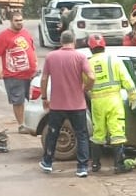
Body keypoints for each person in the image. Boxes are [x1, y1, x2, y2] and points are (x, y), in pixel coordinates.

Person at [38, 30, 95, 177]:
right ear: (74, 41)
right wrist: (85, 88)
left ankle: (47, 163)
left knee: (53, 134)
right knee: (82, 135)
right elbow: (91, 77)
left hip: (57, 105)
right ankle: (82, 167)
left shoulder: (51, 57)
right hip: (77, 105)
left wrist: (44, 98)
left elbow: (44, 79)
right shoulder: (80, 56)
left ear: (61, 41)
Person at [86, 33, 136, 174]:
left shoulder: (88, 63)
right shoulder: (114, 60)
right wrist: (133, 96)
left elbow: (84, 84)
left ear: (90, 48)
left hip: (97, 102)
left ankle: (96, 165)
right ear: (104, 46)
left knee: (98, 133)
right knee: (117, 133)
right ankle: (119, 165)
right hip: (114, 100)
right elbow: (127, 80)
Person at [0, 13, 38, 134]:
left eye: (21, 20)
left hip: (30, 74)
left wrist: (35, 63)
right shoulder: (3, 36)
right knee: (18, 101)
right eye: (16, 20)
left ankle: (33, 123)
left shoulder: (26, 33)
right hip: (14, 76)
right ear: (11, 21)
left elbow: (32, 49)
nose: (19, 22)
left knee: (35, 99)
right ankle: (21, 125)